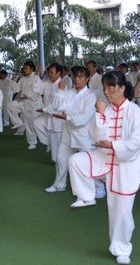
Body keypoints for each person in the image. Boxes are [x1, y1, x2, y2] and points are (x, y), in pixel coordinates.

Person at [68, 71, 140, 265]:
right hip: (104, 159)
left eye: (111, 88)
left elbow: (135, 143)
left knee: (120, 210)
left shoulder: (135, 112)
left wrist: (113, 145)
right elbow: (96, 136)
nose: (107, 92)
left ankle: (122, 249)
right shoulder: (107, 110)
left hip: (125, 166)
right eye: (105, 88)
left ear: (122, 88)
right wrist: (100, 114)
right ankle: (86, 196)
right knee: (76, 161)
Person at [46, 66, 96, 194]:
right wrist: (61, 91)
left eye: (80, 77)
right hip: (68, 132)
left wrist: (66, 116)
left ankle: (96, 188)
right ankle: (59, 185)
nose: (77, 79)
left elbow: (83, 119)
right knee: (61, 159)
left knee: (88, 164)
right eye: (75, 76)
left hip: (84, 136)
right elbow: (57, 107)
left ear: (87, 79)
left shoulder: (90, 96)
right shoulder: (69, 92)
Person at [7, 61, 41, 149]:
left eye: (27, 68)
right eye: (24, 68)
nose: (25, 70)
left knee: (30, 124)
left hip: (33, 104)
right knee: (10, 105)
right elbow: (15, 89)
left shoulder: (36, 78)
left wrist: (27, 96)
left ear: (31, 69)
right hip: (23, 102)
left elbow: (38, 92)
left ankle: (32, 142)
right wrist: (14, 80)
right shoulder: (22, 79)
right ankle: (17, 122)